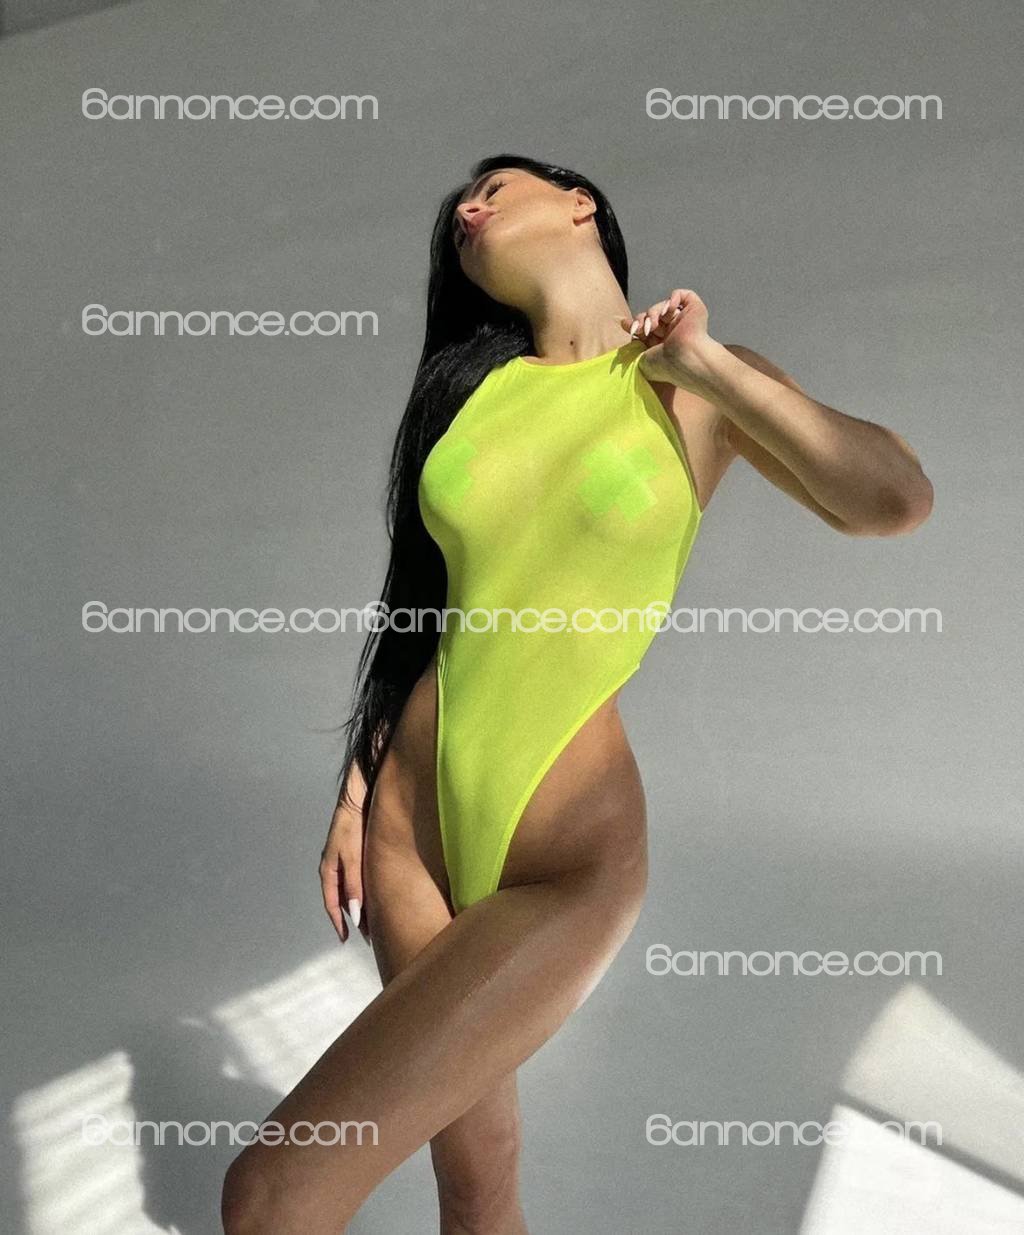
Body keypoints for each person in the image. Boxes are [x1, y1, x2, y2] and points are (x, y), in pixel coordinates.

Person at [221, 153, 933, 1235]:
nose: (468, 209)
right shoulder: (472, 395)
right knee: (479, 1195)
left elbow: (891, 500)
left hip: (562, 856)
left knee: (273, 1192)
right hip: (409, 833)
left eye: (494, 188)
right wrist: (359, 785)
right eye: (459, 210)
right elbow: (425, 606)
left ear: (578, 203)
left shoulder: (694, 382)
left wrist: (705, 365)